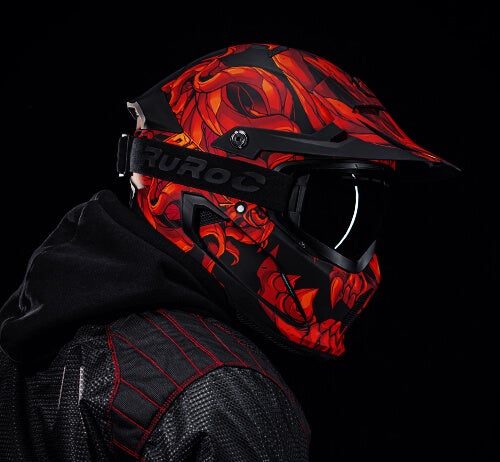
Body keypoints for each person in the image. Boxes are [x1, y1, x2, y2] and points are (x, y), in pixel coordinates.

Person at [0, 43, 458, 461]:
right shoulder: (217, 398)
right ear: (226, 188)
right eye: (327, 209)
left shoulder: (37, 324)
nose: (360, 260)